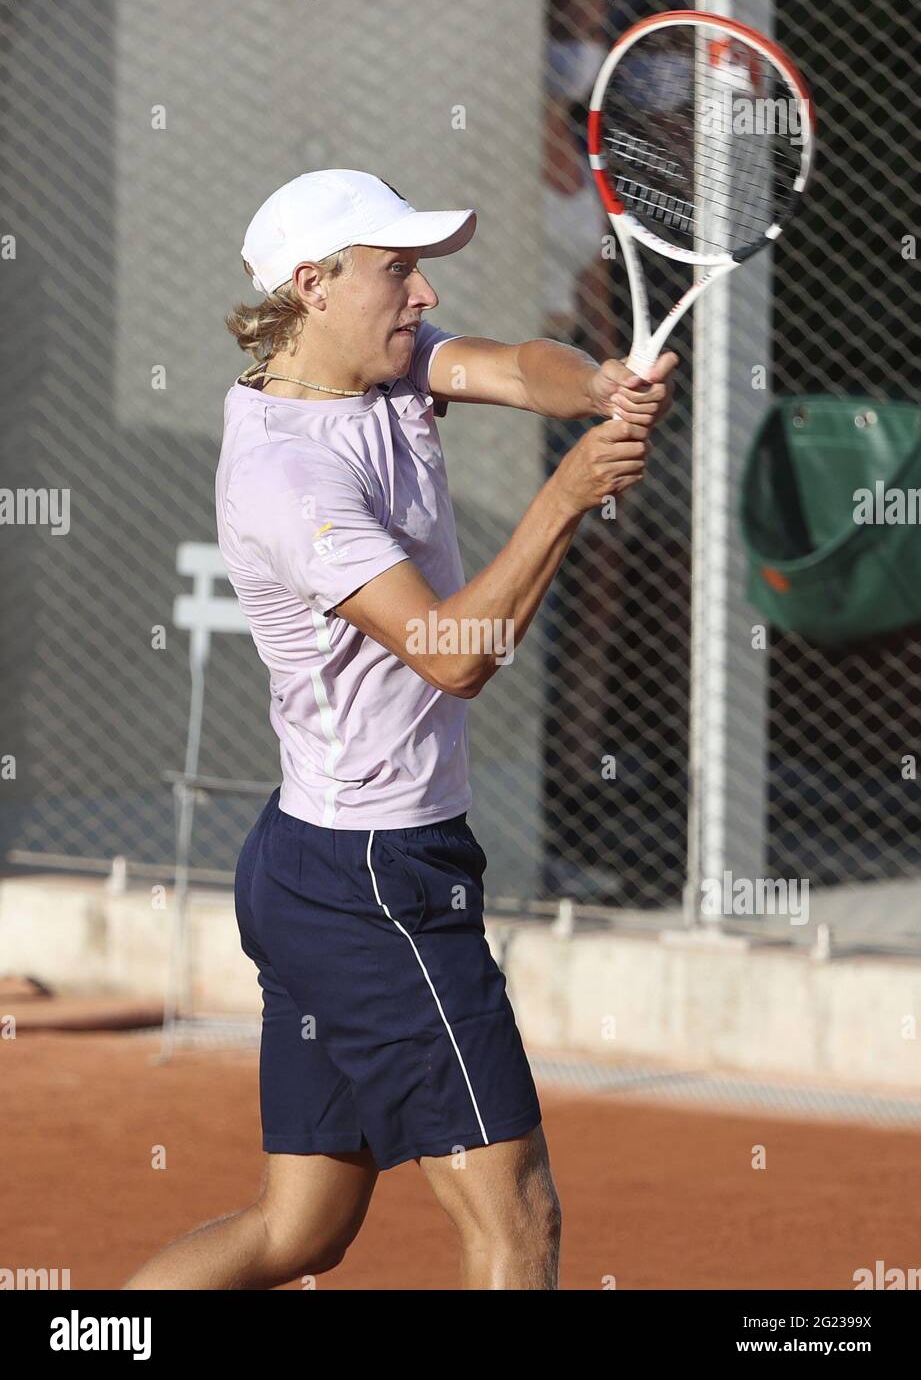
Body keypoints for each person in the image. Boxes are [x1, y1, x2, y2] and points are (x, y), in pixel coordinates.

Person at [122, 169, 676, 1291]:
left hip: (321, 861)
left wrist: (595, 385)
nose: (423, 295)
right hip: (372, 883)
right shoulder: (291, 475)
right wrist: (567, 495)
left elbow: (518, 366)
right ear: (314, 286)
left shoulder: (377, 369)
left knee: (299, 1232)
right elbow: (455, 653)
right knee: (517, 1221)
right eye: (398, 270)